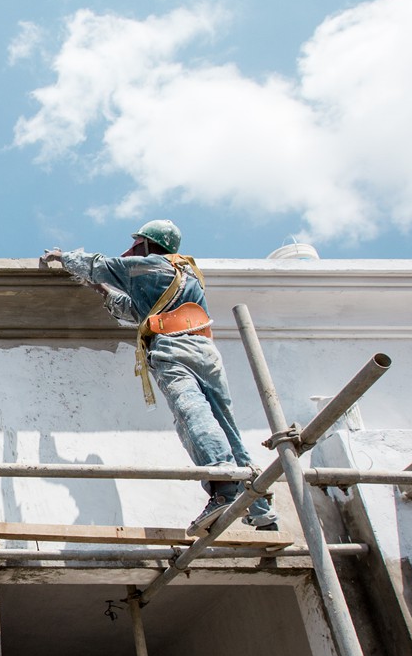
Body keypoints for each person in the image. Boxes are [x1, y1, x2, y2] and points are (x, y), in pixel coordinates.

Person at [41, 220, 277, 532]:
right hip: (204, 349)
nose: (132, 249)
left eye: (137, 243)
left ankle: (224, 487)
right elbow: (135, 309)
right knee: (225, 426)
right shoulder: (185, 271)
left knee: (191, 413)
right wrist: (103, 291)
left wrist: (62, 256)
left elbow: (100, 265)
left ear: (150, 244)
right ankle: (260, 512)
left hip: (174, 349)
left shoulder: (149, 266)